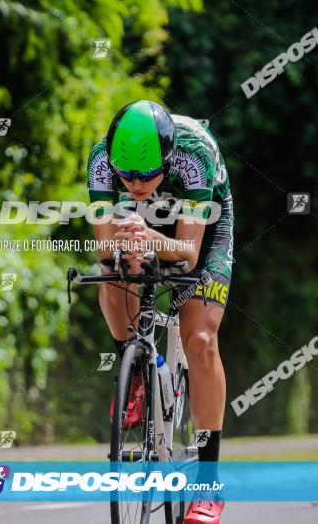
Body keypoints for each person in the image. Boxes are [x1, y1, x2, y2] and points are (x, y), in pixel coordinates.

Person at [86, 100, 234, 523]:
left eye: (146, 175)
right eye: (125, 175)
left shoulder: (194, 155)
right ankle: (135, 372)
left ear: (167, 160)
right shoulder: (100, 160)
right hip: (143, 224)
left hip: (201, 229)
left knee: (201, 338)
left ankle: (208, 482)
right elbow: (103, 249)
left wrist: (151, 235)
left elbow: (187, 255)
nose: (133, 184)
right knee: (114, 276)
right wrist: (125, 244)